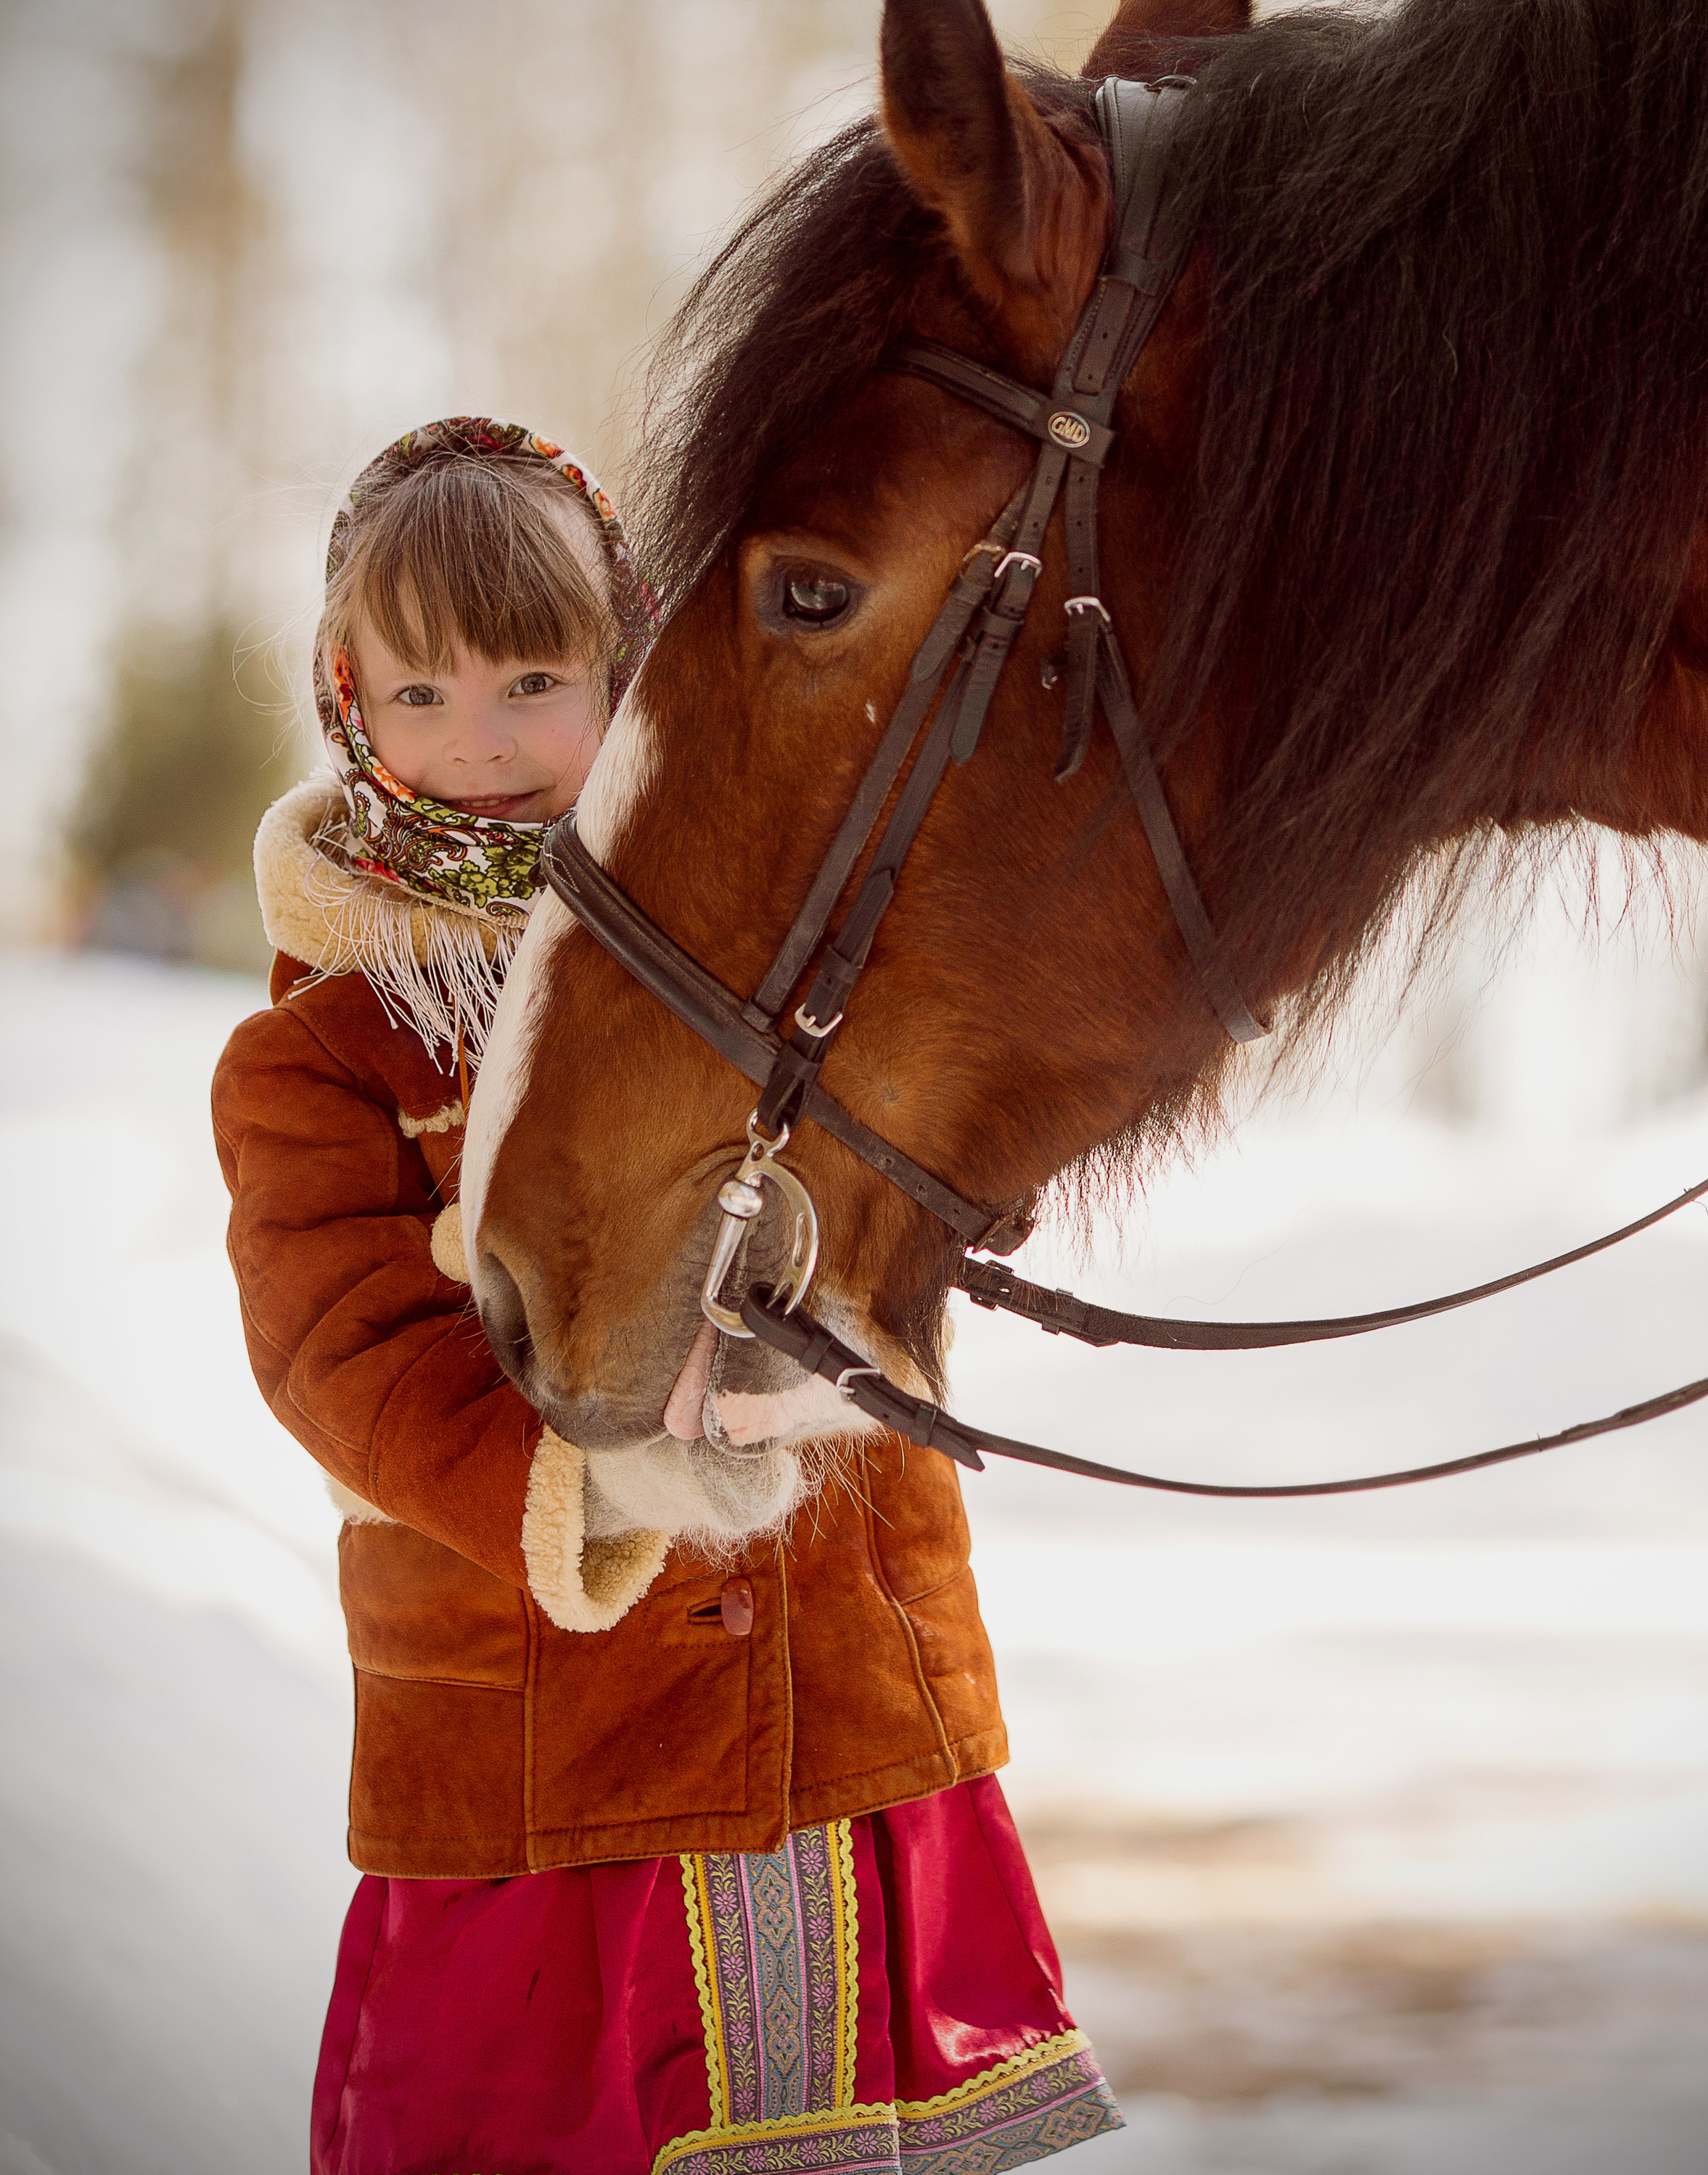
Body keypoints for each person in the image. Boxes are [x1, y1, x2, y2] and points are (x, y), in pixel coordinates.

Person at [211, 416, 1121, 2175]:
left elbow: (915, 1149)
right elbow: (337, 1352)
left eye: (530, 683)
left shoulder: (769, 946)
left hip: (842, 1681)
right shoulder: (323, 1049)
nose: (478, 741)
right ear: (348, 698)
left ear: (624, 671)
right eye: (421, 694)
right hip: (552, 1744)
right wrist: (601, 1476)